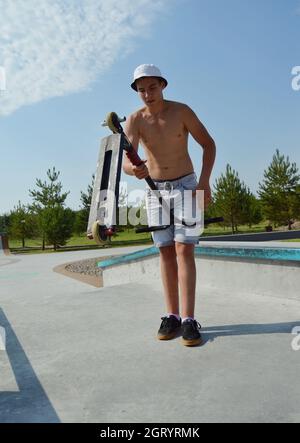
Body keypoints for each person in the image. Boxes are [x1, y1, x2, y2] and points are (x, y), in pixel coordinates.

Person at [123, 64, 216, 346]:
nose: (148, 94)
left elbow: (209, 145)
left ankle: (189, 320)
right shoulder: (135, 120)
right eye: (141, 90)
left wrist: (204, 183)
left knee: (183, 250)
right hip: (155, 191)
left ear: (163, 85)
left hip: (188, 186)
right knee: (165, 252)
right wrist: (133, 170)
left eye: (152, 87)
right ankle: (171, 315)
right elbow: (127, 160)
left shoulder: (182, 111)